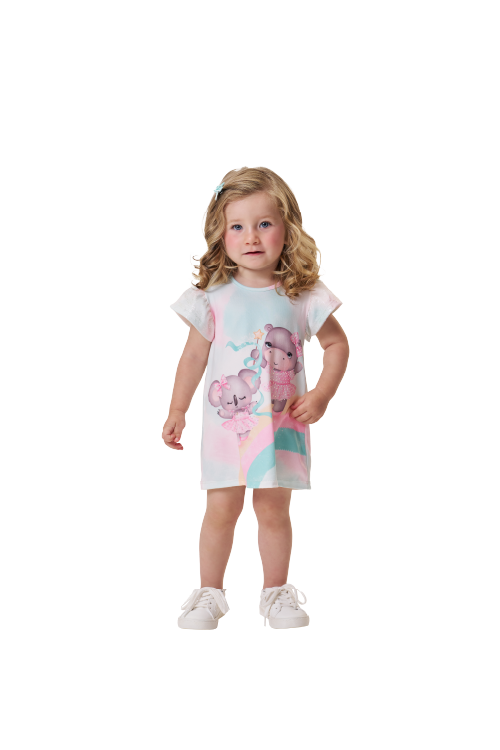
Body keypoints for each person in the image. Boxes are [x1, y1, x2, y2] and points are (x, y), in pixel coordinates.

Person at [162, 166, 350, 630]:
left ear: (288, 227)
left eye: (264, 223)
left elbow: (337, 345)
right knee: (220, 509)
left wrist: (322, 395)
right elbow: (192, 358)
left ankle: (276, 594)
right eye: (237, 226)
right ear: (220, 232)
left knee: (273, 510)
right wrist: (177, 409)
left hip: (281, 426)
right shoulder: (211, 296)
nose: (251, 236)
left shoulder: (302, 294)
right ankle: (209, 594)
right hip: (226, 431)